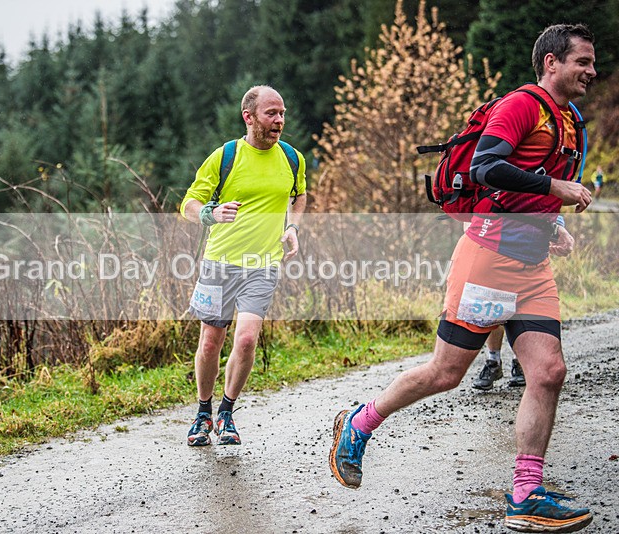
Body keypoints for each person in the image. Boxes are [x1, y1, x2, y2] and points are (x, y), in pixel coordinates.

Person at [329, 24, 595, 533]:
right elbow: (485, 167)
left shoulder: (564, 118)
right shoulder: (522, 106)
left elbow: (525, 185)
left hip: (533, 267)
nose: (591, 70)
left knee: (548, 372)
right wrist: (557, 187)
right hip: (488, 260)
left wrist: (552, 221)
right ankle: (359, 425)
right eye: (581, 61)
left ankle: (525, 494)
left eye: (592, 61)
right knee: (445, 374)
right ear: (551, 63)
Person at [180, 85, 307, 446]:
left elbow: (299, 195)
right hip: (219, 262)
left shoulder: (292, 158)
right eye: (271, 113)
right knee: (210, 341)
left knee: (247, 339)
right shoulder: (226, 156)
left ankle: (226, 412)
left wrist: (293, 227)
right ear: (248, 117)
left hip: (263, 263)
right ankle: (203, 412)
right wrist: (211, 212)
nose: (279, 120)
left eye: (282, 113)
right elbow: (189, 203)